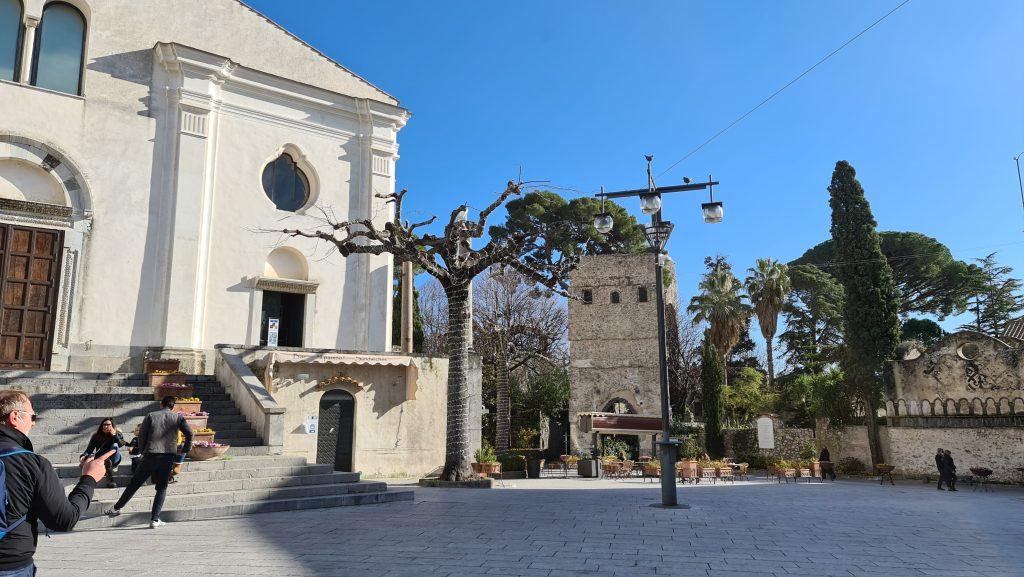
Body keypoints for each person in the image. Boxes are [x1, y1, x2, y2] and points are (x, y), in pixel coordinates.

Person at [0, 390, 111, 576]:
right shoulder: (32, 464)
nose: (34, 422)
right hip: (9, 565)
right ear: (15, 417)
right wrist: (89, 479)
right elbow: (64, 519)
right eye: (33, 416)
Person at [105, 396, 192, 528]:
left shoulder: (151, 415)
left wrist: (143, 450)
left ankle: (116, 508)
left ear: (161, 404)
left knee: (135, 484)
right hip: (168, 456)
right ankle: (154, 519)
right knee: (161, 488)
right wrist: (184, 449)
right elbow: (190, 433)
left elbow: (141, 436)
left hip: (150, 454)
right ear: (173, 407)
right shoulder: (178, 417)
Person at [80, 418, 126, 488]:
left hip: (114, 458)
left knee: (115, 445)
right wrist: (83, 456)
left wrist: (114, 435)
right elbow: (89, 449)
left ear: (112, 426)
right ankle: (110, 480)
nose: (105, 426)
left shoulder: (118, 434)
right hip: (102, 459)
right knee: (104, 460)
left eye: (108, 425)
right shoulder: (96, 435)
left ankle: (110, 479)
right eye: (104, 425)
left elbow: (120, 445)